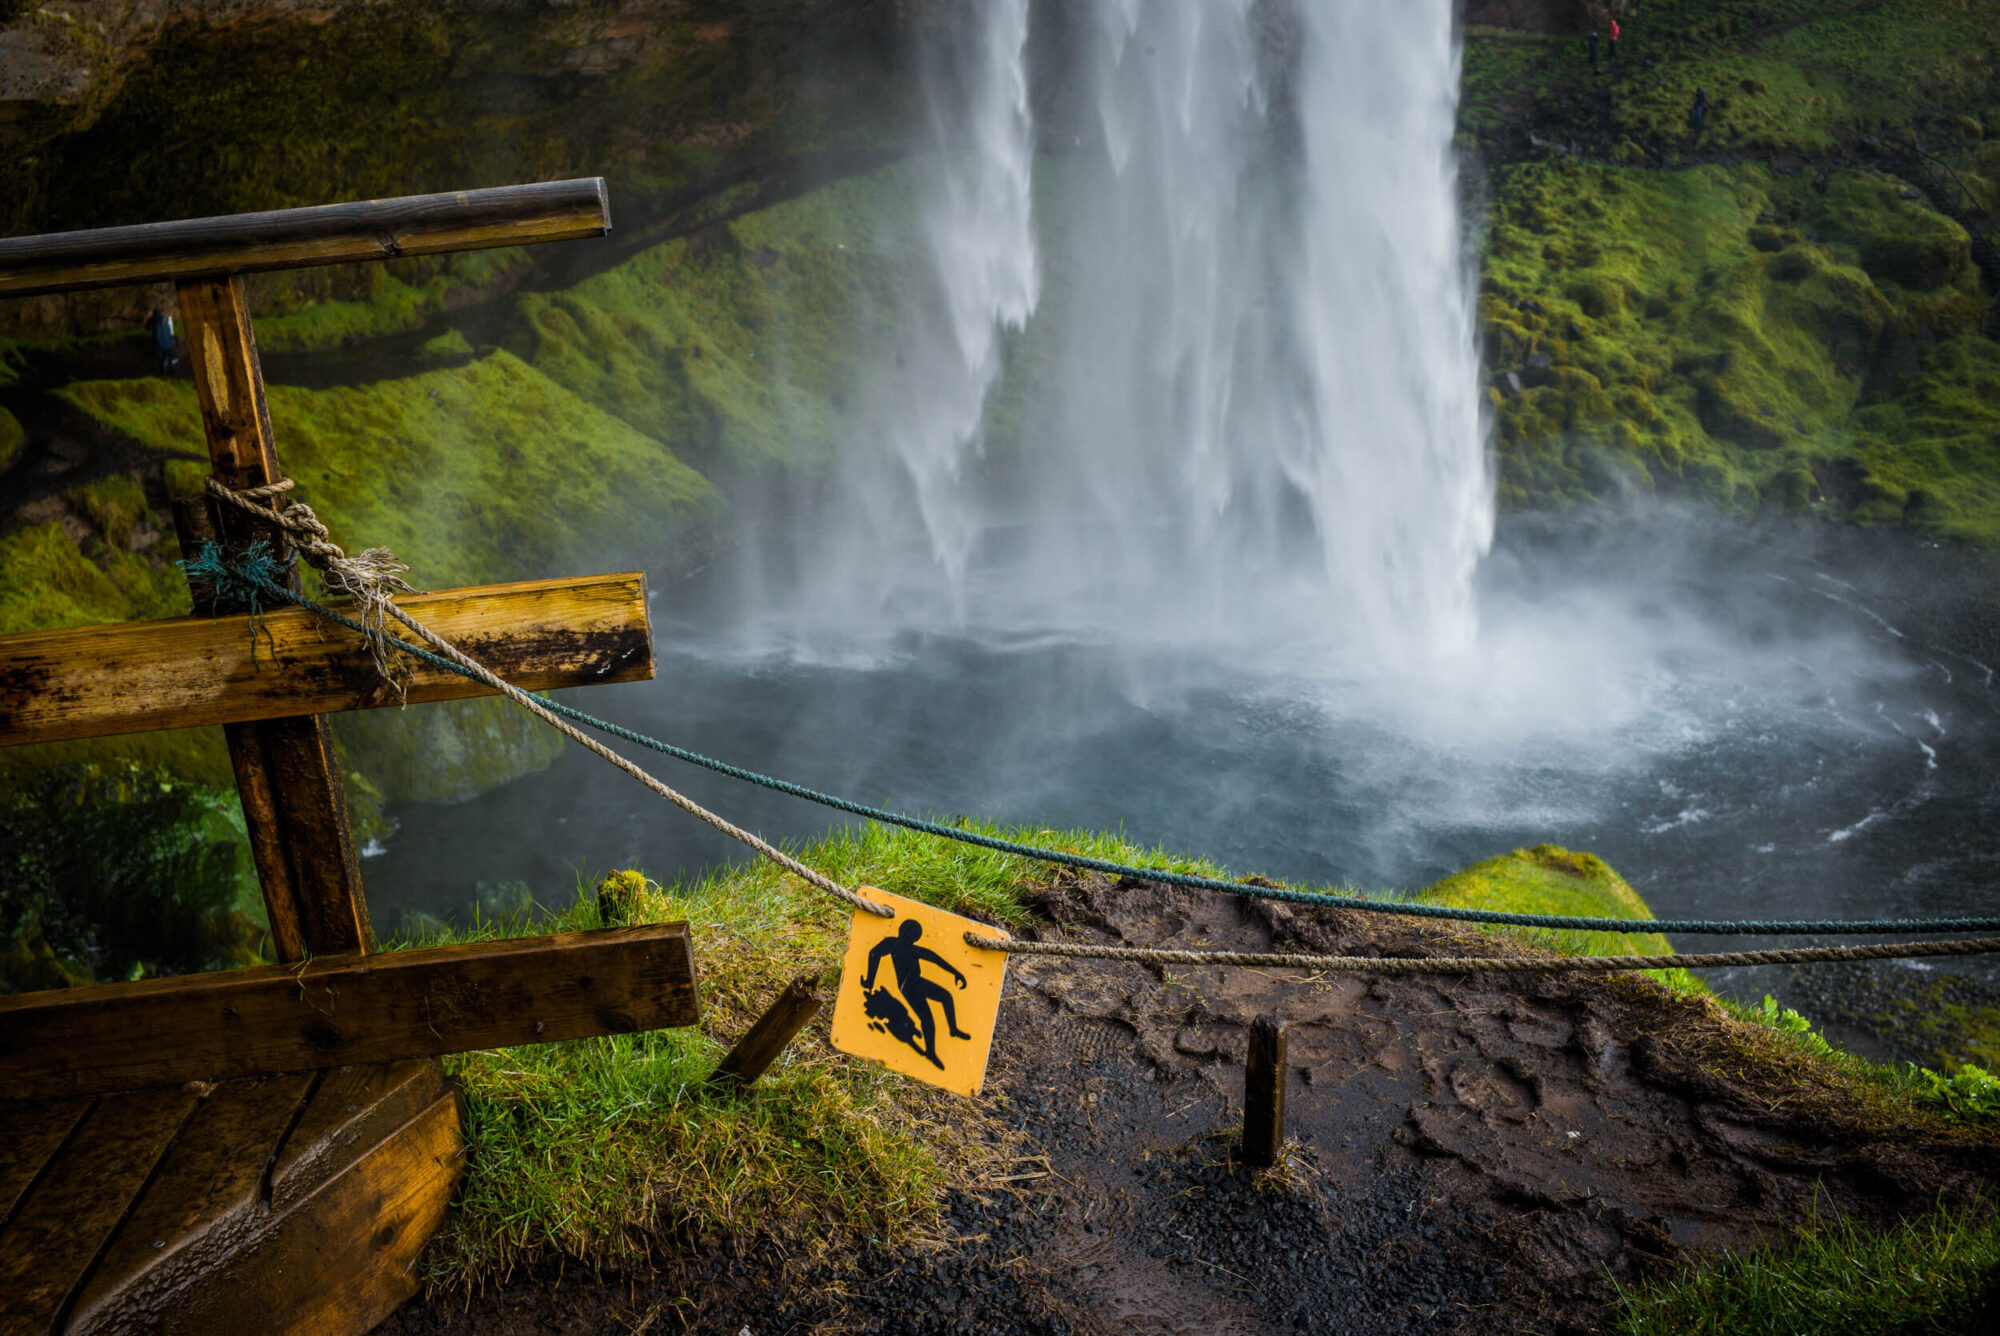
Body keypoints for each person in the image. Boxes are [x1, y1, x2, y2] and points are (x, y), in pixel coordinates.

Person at [859, 919, 971, 1070]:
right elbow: (874, 954)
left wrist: (956, 973)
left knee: (945, 997)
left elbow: (935, 958)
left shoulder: (911, 948)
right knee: (928, 1017)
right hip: (908, 986)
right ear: (902, 931)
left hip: (916, 982)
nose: (910, 937)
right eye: (909, 933)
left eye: (914, 935)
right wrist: (869, 980)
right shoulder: (892, 943)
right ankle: (932, 1050)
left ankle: (952, 1030)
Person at [144, 308, 176, 373]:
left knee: (161, 356)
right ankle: (170, 370)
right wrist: (172, 339)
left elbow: (147, 327)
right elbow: (171, 330)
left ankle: (162, 370)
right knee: (168, 355)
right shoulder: (167, 318)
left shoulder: (153, 319)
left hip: (159, 341)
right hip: (168, 341)